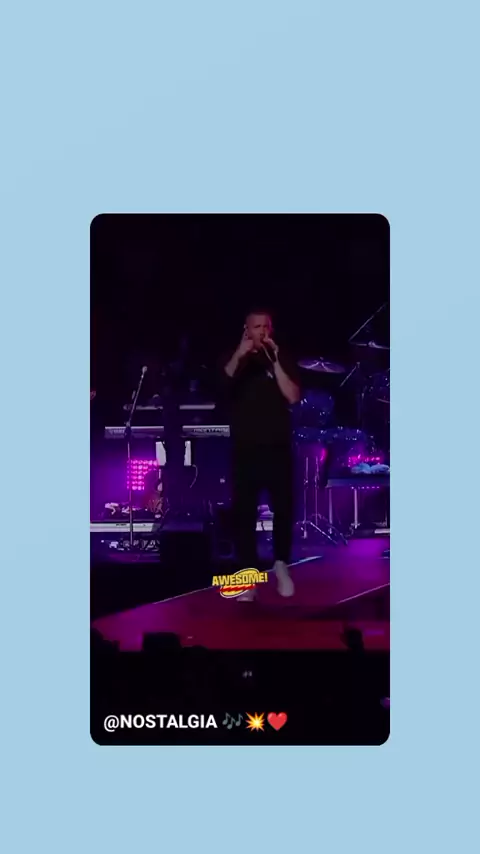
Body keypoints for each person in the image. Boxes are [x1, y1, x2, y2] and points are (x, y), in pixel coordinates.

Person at [223, 310, 301, 598]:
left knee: (284, 509)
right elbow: (222, 386)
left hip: (277, 448)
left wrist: (276, 361)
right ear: (246, 330)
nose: (263, 331)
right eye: (257, 327)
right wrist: (239, 353)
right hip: (245, 450)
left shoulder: (281, 357)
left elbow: (292, 396)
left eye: (266, 326)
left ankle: (281, 565)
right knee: (244, 515)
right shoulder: (236, 360)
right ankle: (248, 579)